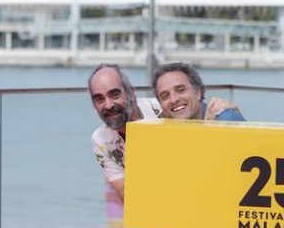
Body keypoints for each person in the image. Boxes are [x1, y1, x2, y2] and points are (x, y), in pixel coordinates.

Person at [89, 63, 239, 201]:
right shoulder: (101, 140)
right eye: (99, 99)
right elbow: (126, 195)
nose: (108, 105)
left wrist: (224, 111)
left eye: (115, 94)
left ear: (131, 93)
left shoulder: (164, 108)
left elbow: (198, 113)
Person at [152, 62, 246, 121]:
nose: (173, 99)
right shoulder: (162, 127)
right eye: (165, 96)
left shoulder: (226, 120)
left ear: (198, 92)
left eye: (180, 90)